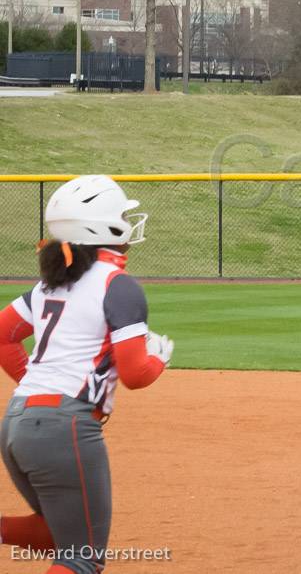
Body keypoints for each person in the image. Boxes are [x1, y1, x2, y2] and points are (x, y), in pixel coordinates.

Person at [0, 175, 174, 574]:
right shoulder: (118, 285)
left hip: (17, 420)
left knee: (56, 535)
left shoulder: (47, 285)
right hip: (65, 427)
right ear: (103, 226)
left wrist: (42, 385)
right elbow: (135, 374)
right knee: (81, 558)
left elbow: (2, 335)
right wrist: (159, 358)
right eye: (122, 215)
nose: (129, 222)